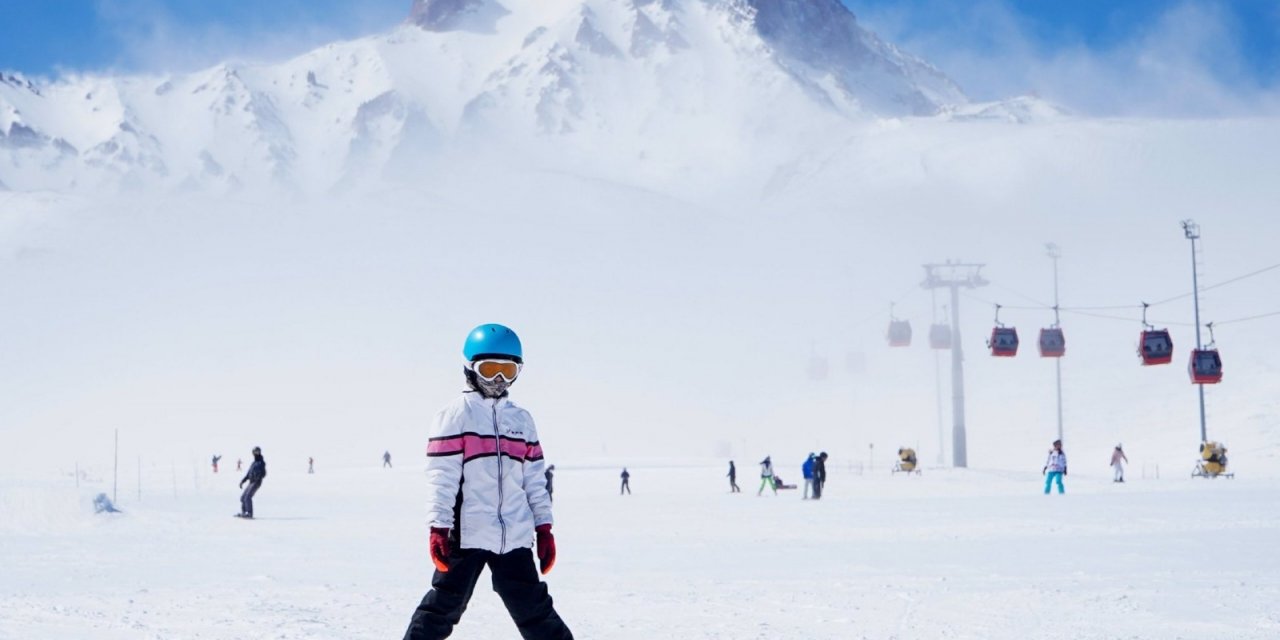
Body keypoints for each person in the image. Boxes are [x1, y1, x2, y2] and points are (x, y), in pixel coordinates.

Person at [403, 324, 572, 640]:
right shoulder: (455, 416)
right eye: (490, 369)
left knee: (535, 610)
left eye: (508, 370)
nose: (498, 380)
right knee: (443, 608)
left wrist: (544, 528)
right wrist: (438, 528)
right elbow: (442, 478)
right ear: (470, 367)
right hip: (467, 534)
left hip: (515, 535)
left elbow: (535, 480)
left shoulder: (521, 420)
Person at [237, 447, 266, 518]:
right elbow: (248, 474)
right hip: (251, 482)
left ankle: (249, 513)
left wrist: (259, 476)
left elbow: (264, 473)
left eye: (257, 452)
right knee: (243, 497)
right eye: (255, 452)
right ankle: (244, 512)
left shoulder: (261, 462)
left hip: (256, 482)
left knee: (247, 497)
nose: (256, 454)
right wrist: (243, 481)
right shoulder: (253, 463)